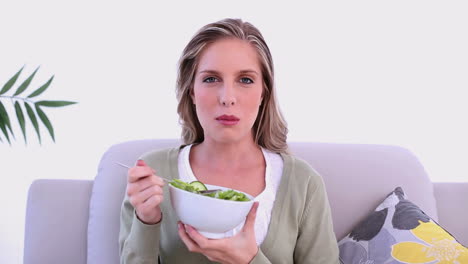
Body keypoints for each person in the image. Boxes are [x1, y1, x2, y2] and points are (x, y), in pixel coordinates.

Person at [119, 18, 339, 264]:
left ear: (263, 92)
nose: (227, 98)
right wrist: (147, 221)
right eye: (211, 79)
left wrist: (250, 260)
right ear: (191, 90)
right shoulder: (153, 172)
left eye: (245, 80)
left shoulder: (304, 183)